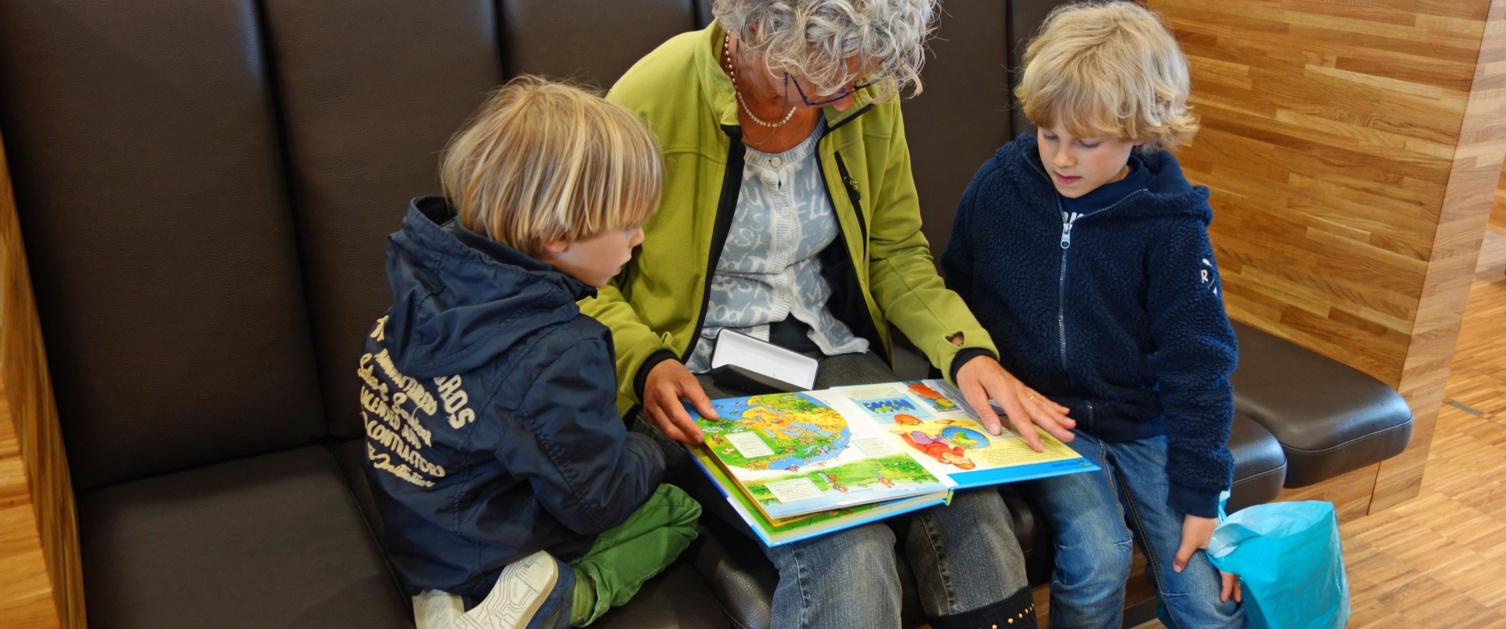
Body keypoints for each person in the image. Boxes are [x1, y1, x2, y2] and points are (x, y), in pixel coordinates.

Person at [585, 1, 1073, 627]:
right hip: (696, 371)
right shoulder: (653, 96)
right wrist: (646, 361)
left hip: (834, 356)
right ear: (756, 31)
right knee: (848, 541)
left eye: (858, 79)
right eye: (819, 80)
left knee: (972, 510)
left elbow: (895, 250)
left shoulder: (861, 88)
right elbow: (581, 279)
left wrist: (966, 350)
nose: (845, 99)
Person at [941, 2, 1244, 627]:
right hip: (1045, 415)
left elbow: (1200, 364)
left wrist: (1205, 491)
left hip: (1142, 420)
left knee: (1208, 597)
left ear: (1141, 130)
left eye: (1088, 142)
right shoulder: (1001, 184)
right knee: (1099, 555)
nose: (1062, 159)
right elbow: (954, 290)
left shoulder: (1171, 224)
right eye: (1049, 134)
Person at [358, 76, 701, 629]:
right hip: (488, 549)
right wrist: (653, 450)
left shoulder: (424, 277)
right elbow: (598, 501)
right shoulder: (558, 351)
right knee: (678, 512)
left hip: (417, 536)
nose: (639, 240)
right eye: (629, 225)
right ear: (556, 234)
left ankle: (444, 600)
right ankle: (562, 595)